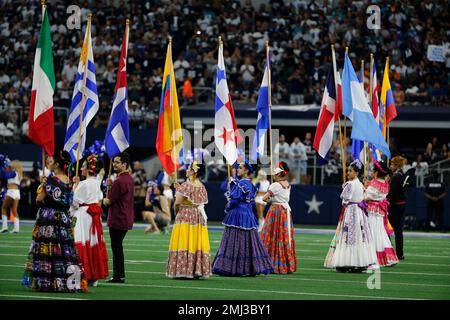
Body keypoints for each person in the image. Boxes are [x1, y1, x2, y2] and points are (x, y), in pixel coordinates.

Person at [22, 151, 88, 292]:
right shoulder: (70, 181)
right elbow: (70, 201)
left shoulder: (51, 180)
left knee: (48, 250)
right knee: (65, 251)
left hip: (49, 217)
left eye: (51, 162)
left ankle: (48, 282)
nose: (49, 163)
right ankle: (69, 282)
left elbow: (39, 199)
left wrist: (42, 189)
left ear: (57, 164)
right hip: (64, 218)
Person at [212, 160, 274, 276]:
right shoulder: (250, 183)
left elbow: (234, 201)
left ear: (246, 170)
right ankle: (249, 268)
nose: (237, 169)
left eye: (240, 168)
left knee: (233, 239)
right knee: (248, 241)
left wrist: (228, 205)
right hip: (248, 214)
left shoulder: (242, 184)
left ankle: (231, 267)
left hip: (238, 213)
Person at [324, 160, 377, 272]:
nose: (348, 173)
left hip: (351, 211)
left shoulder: (350, 184)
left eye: (350, 171)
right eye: (348, 171)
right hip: (360, 212)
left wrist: (345, 188)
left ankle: (348, 262)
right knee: (359, 237)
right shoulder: (360, 184)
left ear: (356, 173)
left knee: (349, 237)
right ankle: (360, 261)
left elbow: (344, 201)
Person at [166, 161, 211, 278]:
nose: (186, 170)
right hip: (197, 216)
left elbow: (177, 203)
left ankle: (184, 269)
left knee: (184, 241)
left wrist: (176, 213)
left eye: (189, 169)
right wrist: (179, 188)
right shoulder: (201, 186)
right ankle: (196, 269)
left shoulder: (186, 185)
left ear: (194, 172)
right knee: (195, 242)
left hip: (185, 215)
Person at [71, 155, 109, 287]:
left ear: (88, 169)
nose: (81, 168)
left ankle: (82, 276)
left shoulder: (83, 184)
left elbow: (74, 202)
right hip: (93, 218)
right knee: (93, 244)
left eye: (83, 166)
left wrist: (74, 186)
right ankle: (94, 276)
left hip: (83, 216)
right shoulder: (96, 182)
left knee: (81, 243)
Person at [103, 152, 134, 283]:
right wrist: (110, 186)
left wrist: (104, 199)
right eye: (114, 162)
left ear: (124, 164)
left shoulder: (120, 180)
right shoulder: (129, 178)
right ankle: (119, 275)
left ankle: (118, 275)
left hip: (117, 217)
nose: (114, 164)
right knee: (118, 247)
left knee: (116, 248)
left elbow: (109, 201)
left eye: (117, 162)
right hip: (125, 216)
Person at [260, 161, 297, 274]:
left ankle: (270, 262)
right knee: (282, 236)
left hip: (276, 211)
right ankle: (284, 263)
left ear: (278, 174)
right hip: (285, 212)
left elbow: (264, 198)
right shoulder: (287, 184)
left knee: (271, 236)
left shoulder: (275, 185)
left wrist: (271, 199)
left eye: (275, 174)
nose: (273, 175)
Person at [364, 160, 399, 267]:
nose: (372, 173)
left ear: (377, 173)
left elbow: (366, 197)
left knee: (372, 232)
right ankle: (389, 257)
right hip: (380, 211)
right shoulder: (385, 183)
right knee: (380, 233)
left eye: (373, 171)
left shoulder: (374, 183)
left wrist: (363, 188)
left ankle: (373, 257)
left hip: (372, 210)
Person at [387, 156, 407, 260]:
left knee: (387, 229)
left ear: (396, 165)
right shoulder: (402, 174)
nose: (390, 166)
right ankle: (400, 254)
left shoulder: (396, 176)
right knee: (399, 231)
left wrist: (385, 200)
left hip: (394, 206)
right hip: (402, 205)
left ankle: (389, 252)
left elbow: (392, 193)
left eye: (392, 164)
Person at [1, 159, 22, 233]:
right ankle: (16, 229)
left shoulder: (14, 173)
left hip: (11, 191)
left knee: (3, 208)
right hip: (17, 192)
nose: (10, 165)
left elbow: (5, 176)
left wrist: (1, 167)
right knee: (14, 210)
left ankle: (4, 227)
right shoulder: (18, 173)